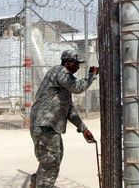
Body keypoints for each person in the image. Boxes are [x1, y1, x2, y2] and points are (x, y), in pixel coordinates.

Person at [30, 48, 99, 188]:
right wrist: (92, 75)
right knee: (51, 162)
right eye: (76, 63)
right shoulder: (59, 71)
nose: (78, 66)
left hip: (48, 126)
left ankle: (36, 182)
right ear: (67, 62)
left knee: (52, 159)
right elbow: (78, 87)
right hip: (45, 126)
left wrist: (83, 129)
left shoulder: (64, 84)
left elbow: (69, 110)